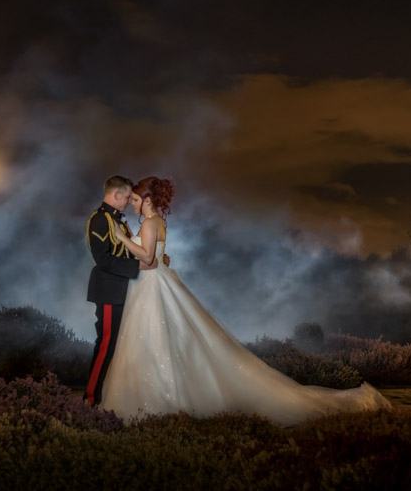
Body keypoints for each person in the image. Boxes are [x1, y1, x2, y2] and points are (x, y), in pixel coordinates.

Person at [102, 176, 392, 426]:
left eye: (137, 199)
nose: (134, 204)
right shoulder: (156, 222)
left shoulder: (151, 224)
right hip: (152, 284)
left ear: (149, 200)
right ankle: (158, 399)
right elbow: (158, 257)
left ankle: (158, 402)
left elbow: (149, 257)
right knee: (158, 342)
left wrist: (122, 238)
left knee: (155, 341)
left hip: (152, 286)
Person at [84, 175, 158, 406]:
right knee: (106, 344)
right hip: (109, 290)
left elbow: (127, 250)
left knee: (119, 344)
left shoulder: (117, 219)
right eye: (127, 197)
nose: (128, 202)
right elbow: (103, 259)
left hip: (125, 289)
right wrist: (138, 265)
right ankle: (90, 398)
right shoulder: (99, 220)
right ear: (116, 195)